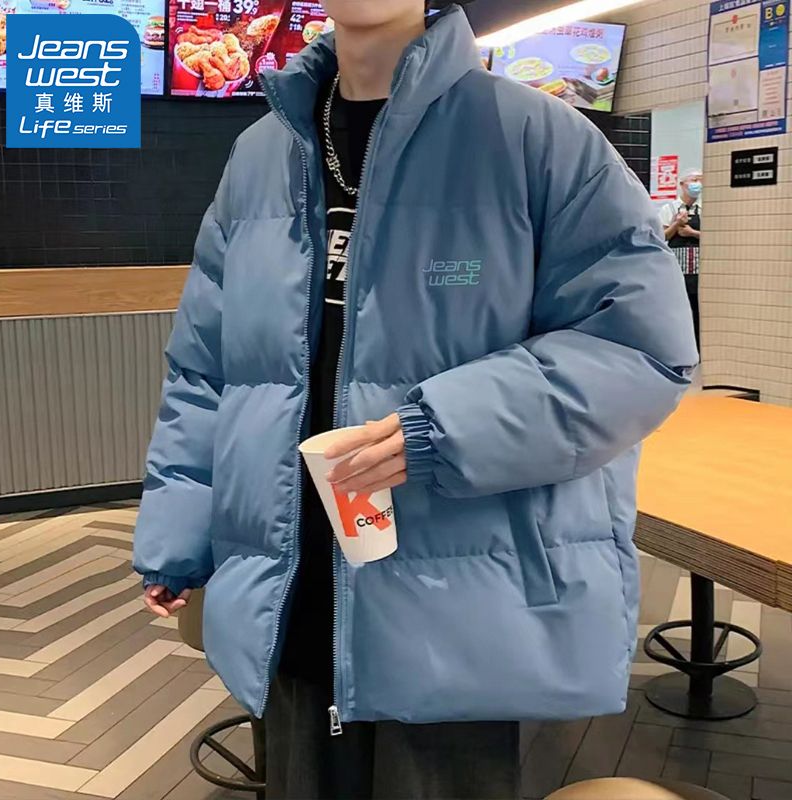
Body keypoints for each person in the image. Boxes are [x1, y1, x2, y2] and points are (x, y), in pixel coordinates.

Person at [133, 2, 698, 798]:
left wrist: (442, 428)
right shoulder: (261, 155)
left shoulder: (540, 140)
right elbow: (208, 369)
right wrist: (178, 532)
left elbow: (639, 348)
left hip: (462, 603)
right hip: (290, 597)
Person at [660, 168, 703, 346]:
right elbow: (662, 237)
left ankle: (699, 349)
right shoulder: (668, 209)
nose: (698, 184)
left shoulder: (705, 209)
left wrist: (692, 233)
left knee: (699, 312)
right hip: (677, 270)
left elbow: (716, 239)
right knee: (678, 311)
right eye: (694, 180)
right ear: (682, 184)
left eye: (701, 180)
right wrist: (676, 223)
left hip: (700, 272)